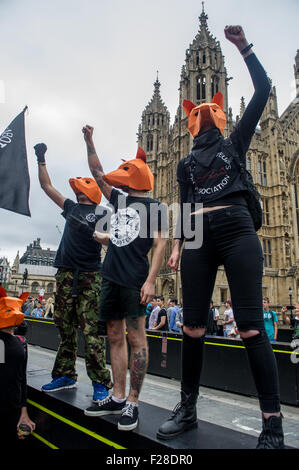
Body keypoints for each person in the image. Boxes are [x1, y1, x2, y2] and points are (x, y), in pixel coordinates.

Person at [157, 25, 284, 449]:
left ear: (221, 113)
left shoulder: (236, 142)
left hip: (237, 230)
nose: (205, 114)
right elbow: (187, 208)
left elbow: (264, 89)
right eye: (198, 111)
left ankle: (272, 423)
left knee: (250, 328)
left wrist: (243, 46)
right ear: (189, 119)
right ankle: (187, 407)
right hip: (197, 239)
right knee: (192, 327)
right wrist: (176, 247)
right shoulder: (183, 165)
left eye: (212, 108)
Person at [82, 126, 167, 431]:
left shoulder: (157, 207)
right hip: (110, 278)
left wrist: (151, 280)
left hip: (134, 280)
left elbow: (159, 244)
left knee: (136, 339)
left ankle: (132, 401)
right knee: (115, 337)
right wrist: (89, 140)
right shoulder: (118, 201)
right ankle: (117, 396)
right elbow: (98, 171)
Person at [33, 142, 112, 402]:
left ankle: (101, 382)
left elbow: (110, 240)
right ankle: (65, 374)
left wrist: (90, 232)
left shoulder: (102, 212)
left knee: (91, 332)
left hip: (90, 275)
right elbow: (47, 187)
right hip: (66, 273)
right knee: (65, 327)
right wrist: (41, 159)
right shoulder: (70, 207)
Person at [0, 288, 35, 447]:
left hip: (11, 410)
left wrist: (23, 411)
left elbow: (21, 377)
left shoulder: (20, 343)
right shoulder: (15, 343)